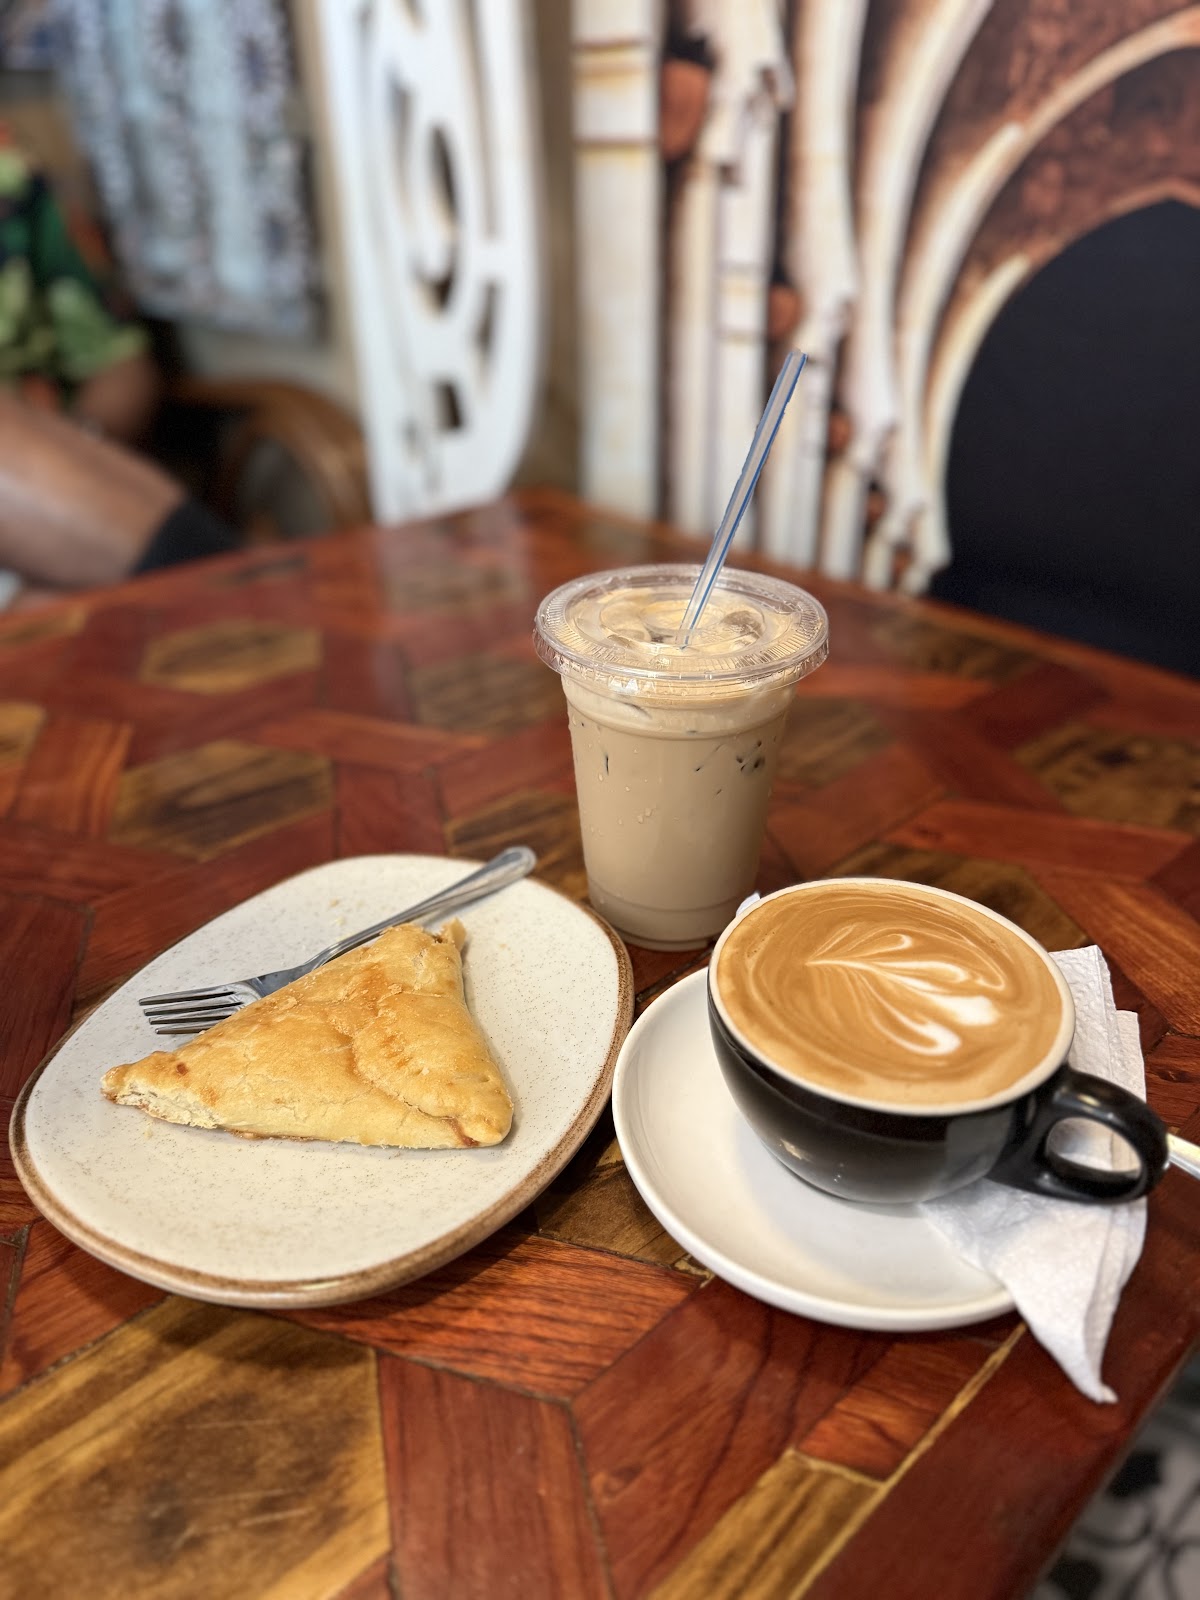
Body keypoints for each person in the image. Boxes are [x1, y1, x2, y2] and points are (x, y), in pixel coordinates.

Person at [0, 125, 236, 604]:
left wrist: (68, 470)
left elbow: (122, 366)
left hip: (48, 502)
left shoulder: (12, 178)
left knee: (84, 611)